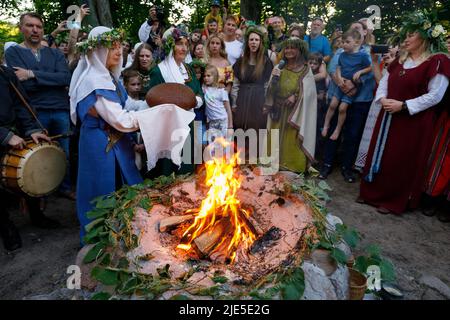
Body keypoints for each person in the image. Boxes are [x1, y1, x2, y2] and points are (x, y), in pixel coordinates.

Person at [359, 10, 449, 215]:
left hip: (414, 122)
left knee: (401, 159)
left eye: (411, 35)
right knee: (381, 155)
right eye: (405, 34)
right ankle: (371, 193)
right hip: (388, 115)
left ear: (425, 37)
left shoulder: (437, 61)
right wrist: (382, 99)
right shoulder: (401, 60)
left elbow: (436, 95)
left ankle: (393, 200)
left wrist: (404, 106)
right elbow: (384, 81)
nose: (406, 39)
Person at [69, 27, 144, 242]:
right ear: (98, 50)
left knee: (120, 185)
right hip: (98, 142)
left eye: (119, 46)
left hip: (114, 138)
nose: (118, 51)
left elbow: (128, 104)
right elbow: (120, 119)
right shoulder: (94, 80)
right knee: (101, 189)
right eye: (112, 47)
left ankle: (122, 232)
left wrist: (153, 104)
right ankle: (99, 239)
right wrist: (154, 117)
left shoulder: (108, 77)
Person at [5, 12, 74, 200]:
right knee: (35, 156)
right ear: (21, 28)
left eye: (39, 26)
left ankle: (65, 188)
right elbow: (22, 85)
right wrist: (51, 79)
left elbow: (66, 78)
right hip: (33, 112)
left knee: (63, 153)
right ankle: (38, 195)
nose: (35, 30)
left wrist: (32, 74)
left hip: (60, 109)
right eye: (30, 25)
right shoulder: (14, 52)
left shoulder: (55, 53)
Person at [0, 65, 58, 251]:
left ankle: (36, 215)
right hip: (4, 134)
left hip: (15, 130)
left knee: (31, 170)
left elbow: (20, 103)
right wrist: (4, 136)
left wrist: (32, 130)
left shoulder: (5, 73)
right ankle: (6, 227)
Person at [319, 22, 376, 182]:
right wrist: (341, 82)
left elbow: (373, 72)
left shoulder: (368, 52)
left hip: (360, 99)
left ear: (364, 33)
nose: (353, 30)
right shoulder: (342, 50)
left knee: (352, 134)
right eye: (352, 28)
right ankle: (327, 164)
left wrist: (355, 82)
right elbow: (332, 69)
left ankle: (347, 167)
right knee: (332, 132)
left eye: (357, 29)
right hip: (339, 91)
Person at [147, 27, 204, 177]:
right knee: (169, 169)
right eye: (179, 43)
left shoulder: (189, 69)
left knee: (187, 165)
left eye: (186, 44)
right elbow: (152, 101)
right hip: (168, 128)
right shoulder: (158, 71)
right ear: (169, 45)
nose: (184, 48)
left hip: (189, 123)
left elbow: (199, 92)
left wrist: (194, 101)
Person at [264, 37, 317, 173]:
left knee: (292, 142)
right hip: (278, 111)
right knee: (273, 139)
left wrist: (296, 96)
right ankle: (272, 167)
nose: (289, 50)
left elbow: (309, 94)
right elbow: (270, 92)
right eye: (287, 48)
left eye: (293, 48)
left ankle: (292, 170)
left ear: (300, 50)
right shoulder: (278, 67)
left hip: (296, 114)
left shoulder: (306, 70)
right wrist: (274, 80)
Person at [321, 29, 372, 141]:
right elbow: (339, 67)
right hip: (341, 84)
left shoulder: (362, 56)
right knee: (333, 104)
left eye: (347, 42)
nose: (343, 44)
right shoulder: (342, 55)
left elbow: (370, 67)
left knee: (342, 108)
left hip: (351, 87)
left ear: (357, 43)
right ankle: (326, 125)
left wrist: (360, 72)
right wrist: (339, 77)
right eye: (343, 42)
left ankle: (338, 129)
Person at [231, 26, 273, 131]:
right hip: (242, 99)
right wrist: (234, 103)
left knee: (256, 130)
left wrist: (266, 104)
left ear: (260, 43)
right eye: (251, 39)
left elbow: (267, 85)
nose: (254, 42)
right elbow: (235, 84)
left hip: (258, 101)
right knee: (240, 130)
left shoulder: (266, 62)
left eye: (256, 40)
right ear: (248, 42)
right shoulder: (241, 62)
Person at [203, 64, 232, 144]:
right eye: (204, 76)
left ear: (215, 76)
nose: (206, 78)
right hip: (212, 122)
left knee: (224, 145)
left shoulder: (222, 91)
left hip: (223, 121)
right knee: (212, 145)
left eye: (209, 76)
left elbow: (228, 109)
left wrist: (230, 126)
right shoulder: (204, 88)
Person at [308, 52, 327, 161]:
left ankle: (315, 157)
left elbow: (320, 96)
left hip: (318, 110)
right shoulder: (307, 73)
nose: (312, 65)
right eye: (310, 63)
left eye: (315, 64)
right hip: (309, 108)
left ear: (319, 65)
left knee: (316, 134)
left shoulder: (320, 79)